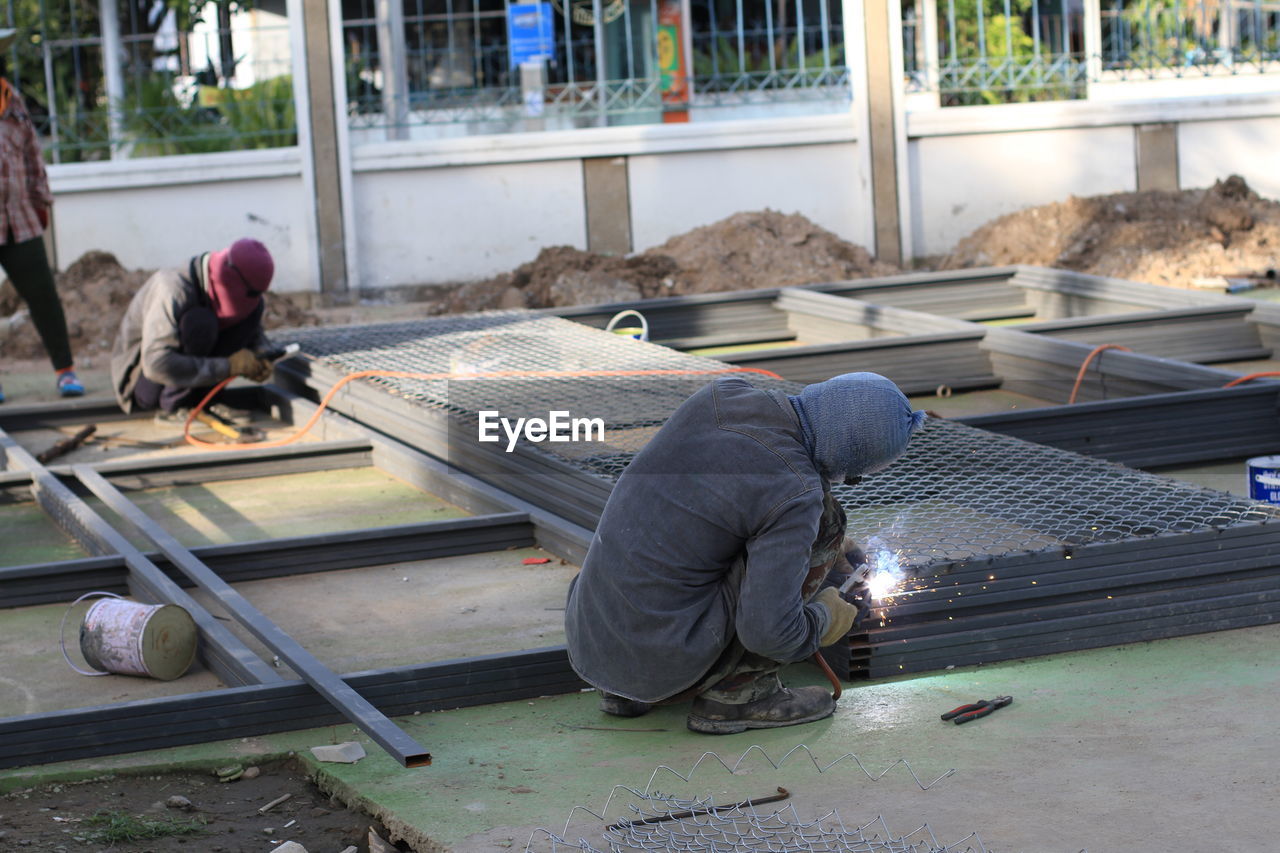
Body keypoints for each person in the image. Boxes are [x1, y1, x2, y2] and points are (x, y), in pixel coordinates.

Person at [564, 372, 926, 734]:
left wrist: (821, 551)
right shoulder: (794, 490)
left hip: (592, 639)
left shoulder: (723, 396)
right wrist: (825, 618)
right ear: (848, 456)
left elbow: (721, 506)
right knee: (827, 521)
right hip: (661, 657)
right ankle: (741, 698)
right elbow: (769, 634)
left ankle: (624, 692)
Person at [0, 28, 83, 404]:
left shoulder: (12, 103)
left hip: (19, 220)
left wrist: (40, 201)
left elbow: (33, 158)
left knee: (43, 296)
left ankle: (65, 372)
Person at [110, 237, 277, 420]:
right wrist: (228, 367)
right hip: (143, 383)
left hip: (178, 374)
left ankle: (206, 402)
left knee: (249, 314)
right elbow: (156, 364)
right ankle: (175, 407)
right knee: (200, 323)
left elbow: (252, 330)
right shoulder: (172, 289)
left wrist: (261, 354)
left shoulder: (240, 295)